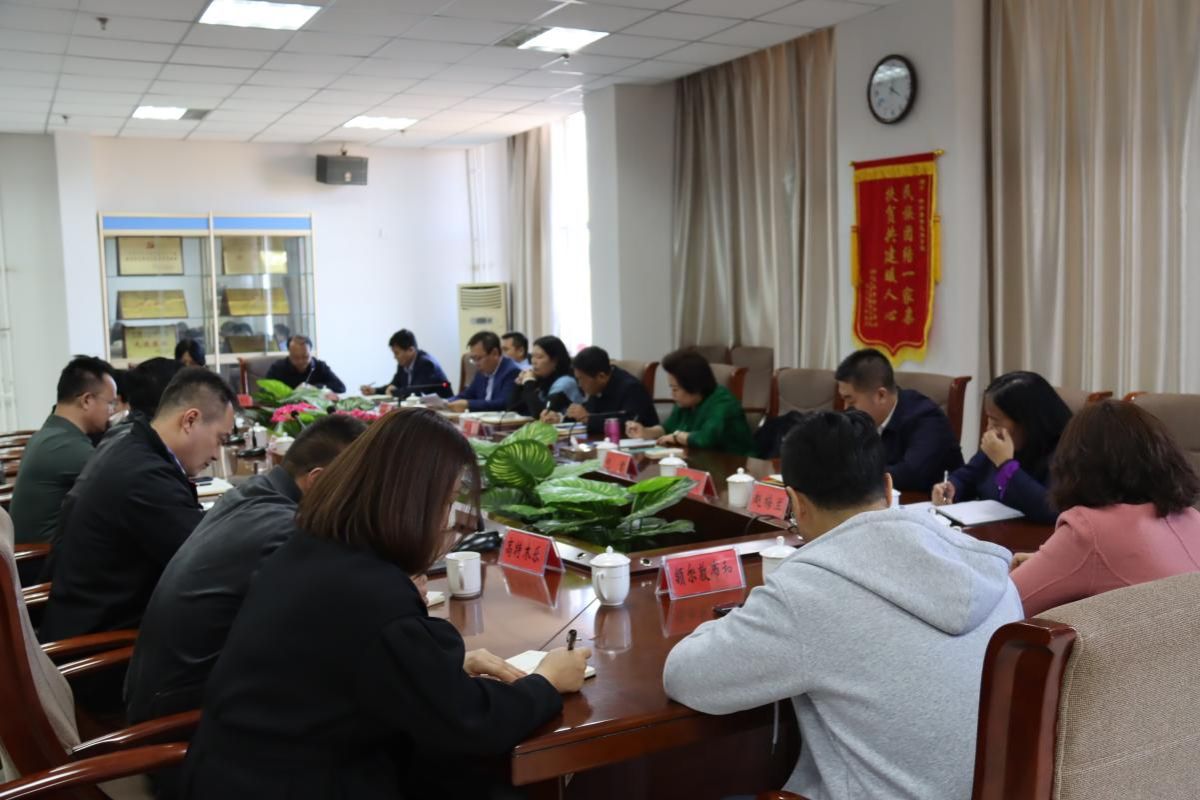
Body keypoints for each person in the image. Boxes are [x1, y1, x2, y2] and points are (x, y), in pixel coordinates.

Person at [179, 409, 591, 798]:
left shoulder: (310, 548)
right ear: (410, 503)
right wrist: (546, 680)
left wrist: (434, 668)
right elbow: (469, 723)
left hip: (232, 773)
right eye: (445, 502)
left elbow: (347, 667)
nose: (446, 520)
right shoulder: (372, 594)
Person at [663, 410, 1022, 800]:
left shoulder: (808, 592)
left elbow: (684, 676)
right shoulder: (989, 568)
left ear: (796, 502)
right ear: (888, 486)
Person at [125, 414, 368, 725]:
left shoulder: (250, 493)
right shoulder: (285, 530)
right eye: (361, 487)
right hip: (183, 719)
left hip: (161, 691)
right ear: (318, 481)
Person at [40, 368, 239, 643]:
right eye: (220, 439)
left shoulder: (131, 442)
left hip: (91, 617)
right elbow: (207, 562)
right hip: (102, 643)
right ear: (190, 420)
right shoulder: (145, 476)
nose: (217, 455)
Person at [1011, 401, 1200, 616]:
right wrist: (1050, 563)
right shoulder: (1192, 518)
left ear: (1076, 464)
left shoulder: (1088, 531)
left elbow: (1005, 604)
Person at [932, 371, 1071, 524]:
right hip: (991, 532)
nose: (988, 428)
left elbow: (1052, 511)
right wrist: (951, 488)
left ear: (1027, 422)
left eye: (995, 421)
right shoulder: (999, 443)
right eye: (988, 418)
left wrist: (1006, 465)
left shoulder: (1066, 451)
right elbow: (967, 476)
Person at [10, 356, 117, 546]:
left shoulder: (52, 432)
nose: (113, 411)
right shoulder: (67, 446)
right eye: (110, 403)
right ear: (87, 400)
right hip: (44, 557)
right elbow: (122, 483)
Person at [833, 348, 963, 491]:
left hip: (930, 501)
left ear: (881, 395)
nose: (846, 408)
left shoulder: (926, 418)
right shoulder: (859, 419)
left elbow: (910, 474)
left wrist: (850, 476)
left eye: (850, 400)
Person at [626, 348, 754, 455]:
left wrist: (676, 436)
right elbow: (668, 428)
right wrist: (645, 432)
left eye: (675, 389)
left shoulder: (723, 402)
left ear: (693, 385)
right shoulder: (686, 402)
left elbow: (705, 439)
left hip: (734, 466)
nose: (672, 394)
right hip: (698, 461)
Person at [543, 346, 659, 438]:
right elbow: (589, 414)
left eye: (581, 379)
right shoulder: (598, 386)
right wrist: (560, 418)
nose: (579, 385)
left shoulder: (631, 388)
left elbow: (628, 423)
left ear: (601, 376)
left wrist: (588, 419)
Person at [359, 329, 451, 399]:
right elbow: (394, 385)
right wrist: (374, 390)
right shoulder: (403, 364)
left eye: (397, 353)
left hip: (443, 411)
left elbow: (415, 392)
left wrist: (395, 392)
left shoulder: (426, 363)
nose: (395, 357)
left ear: (411, 350)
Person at [510, 335, 584, 420]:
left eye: (539, 357)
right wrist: (519, 385)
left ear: (555, 360)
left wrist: (528, 383)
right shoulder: (544, 379)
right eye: (532, 356)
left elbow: (542, 415)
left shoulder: (565, 382)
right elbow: (512, 409)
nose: (533, 361)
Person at [447, 330, 521, 413]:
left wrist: (469, 405)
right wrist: (446, 402)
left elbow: (503, 403)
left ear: (495, 353)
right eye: (473, 359)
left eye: (478, 358)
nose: (476, 364)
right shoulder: (481, 372)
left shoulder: (512, 371)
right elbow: (467, 394)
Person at [266, 335, 346, 393]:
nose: (301, 361)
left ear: (311, 353)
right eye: (296, 357)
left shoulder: (320, 366)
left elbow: (341, 387)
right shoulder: (277, 368)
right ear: (289, 354)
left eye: (305, 357)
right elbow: (264, 390)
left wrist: (314, 387)